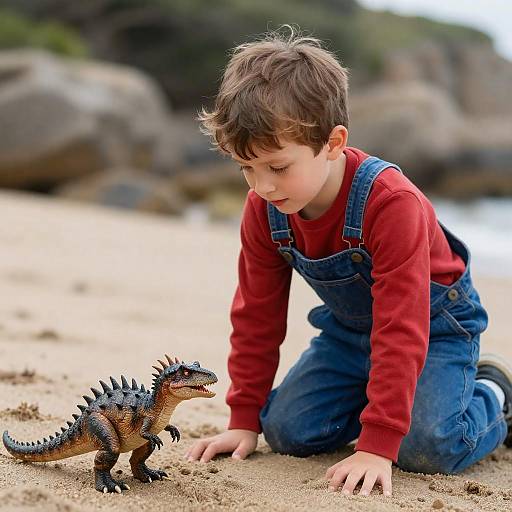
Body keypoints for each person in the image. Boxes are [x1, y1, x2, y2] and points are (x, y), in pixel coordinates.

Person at [185, 26, 512, 496]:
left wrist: (378, 443)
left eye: (277, 167)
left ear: (334, 143)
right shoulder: (265, 208)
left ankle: (495, 391)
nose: (262, 187)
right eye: (245, 168)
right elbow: (257, 314)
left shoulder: (391, 203)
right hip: (350, 332)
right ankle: (381, 397)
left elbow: (402, 325)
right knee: (287, 432)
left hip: (435, 326)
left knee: (426, 447)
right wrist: (243, 419)